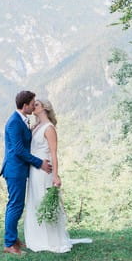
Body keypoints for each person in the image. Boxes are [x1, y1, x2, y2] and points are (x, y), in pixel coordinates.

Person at [23, 99, 91, 253]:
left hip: (44, 170)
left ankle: (52, 239)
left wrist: (56, 176)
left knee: (43, 201)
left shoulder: (49, 128)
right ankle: (37, 238)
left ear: (45, 108)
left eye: (37, 104)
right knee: (34, 202)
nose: (34, 106)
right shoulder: (35, 127)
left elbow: (53, 153)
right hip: (34, 169)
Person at [0, 91, 52, 255]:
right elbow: (19, 151)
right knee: (15, 205)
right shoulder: (14, 122)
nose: (33, 105)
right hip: (15, 170)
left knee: (17, 204)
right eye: (32, 103)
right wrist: (40, 163)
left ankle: (13, 239)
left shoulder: (22, 120)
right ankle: (9, 243)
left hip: (20, 169)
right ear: (25, 105)